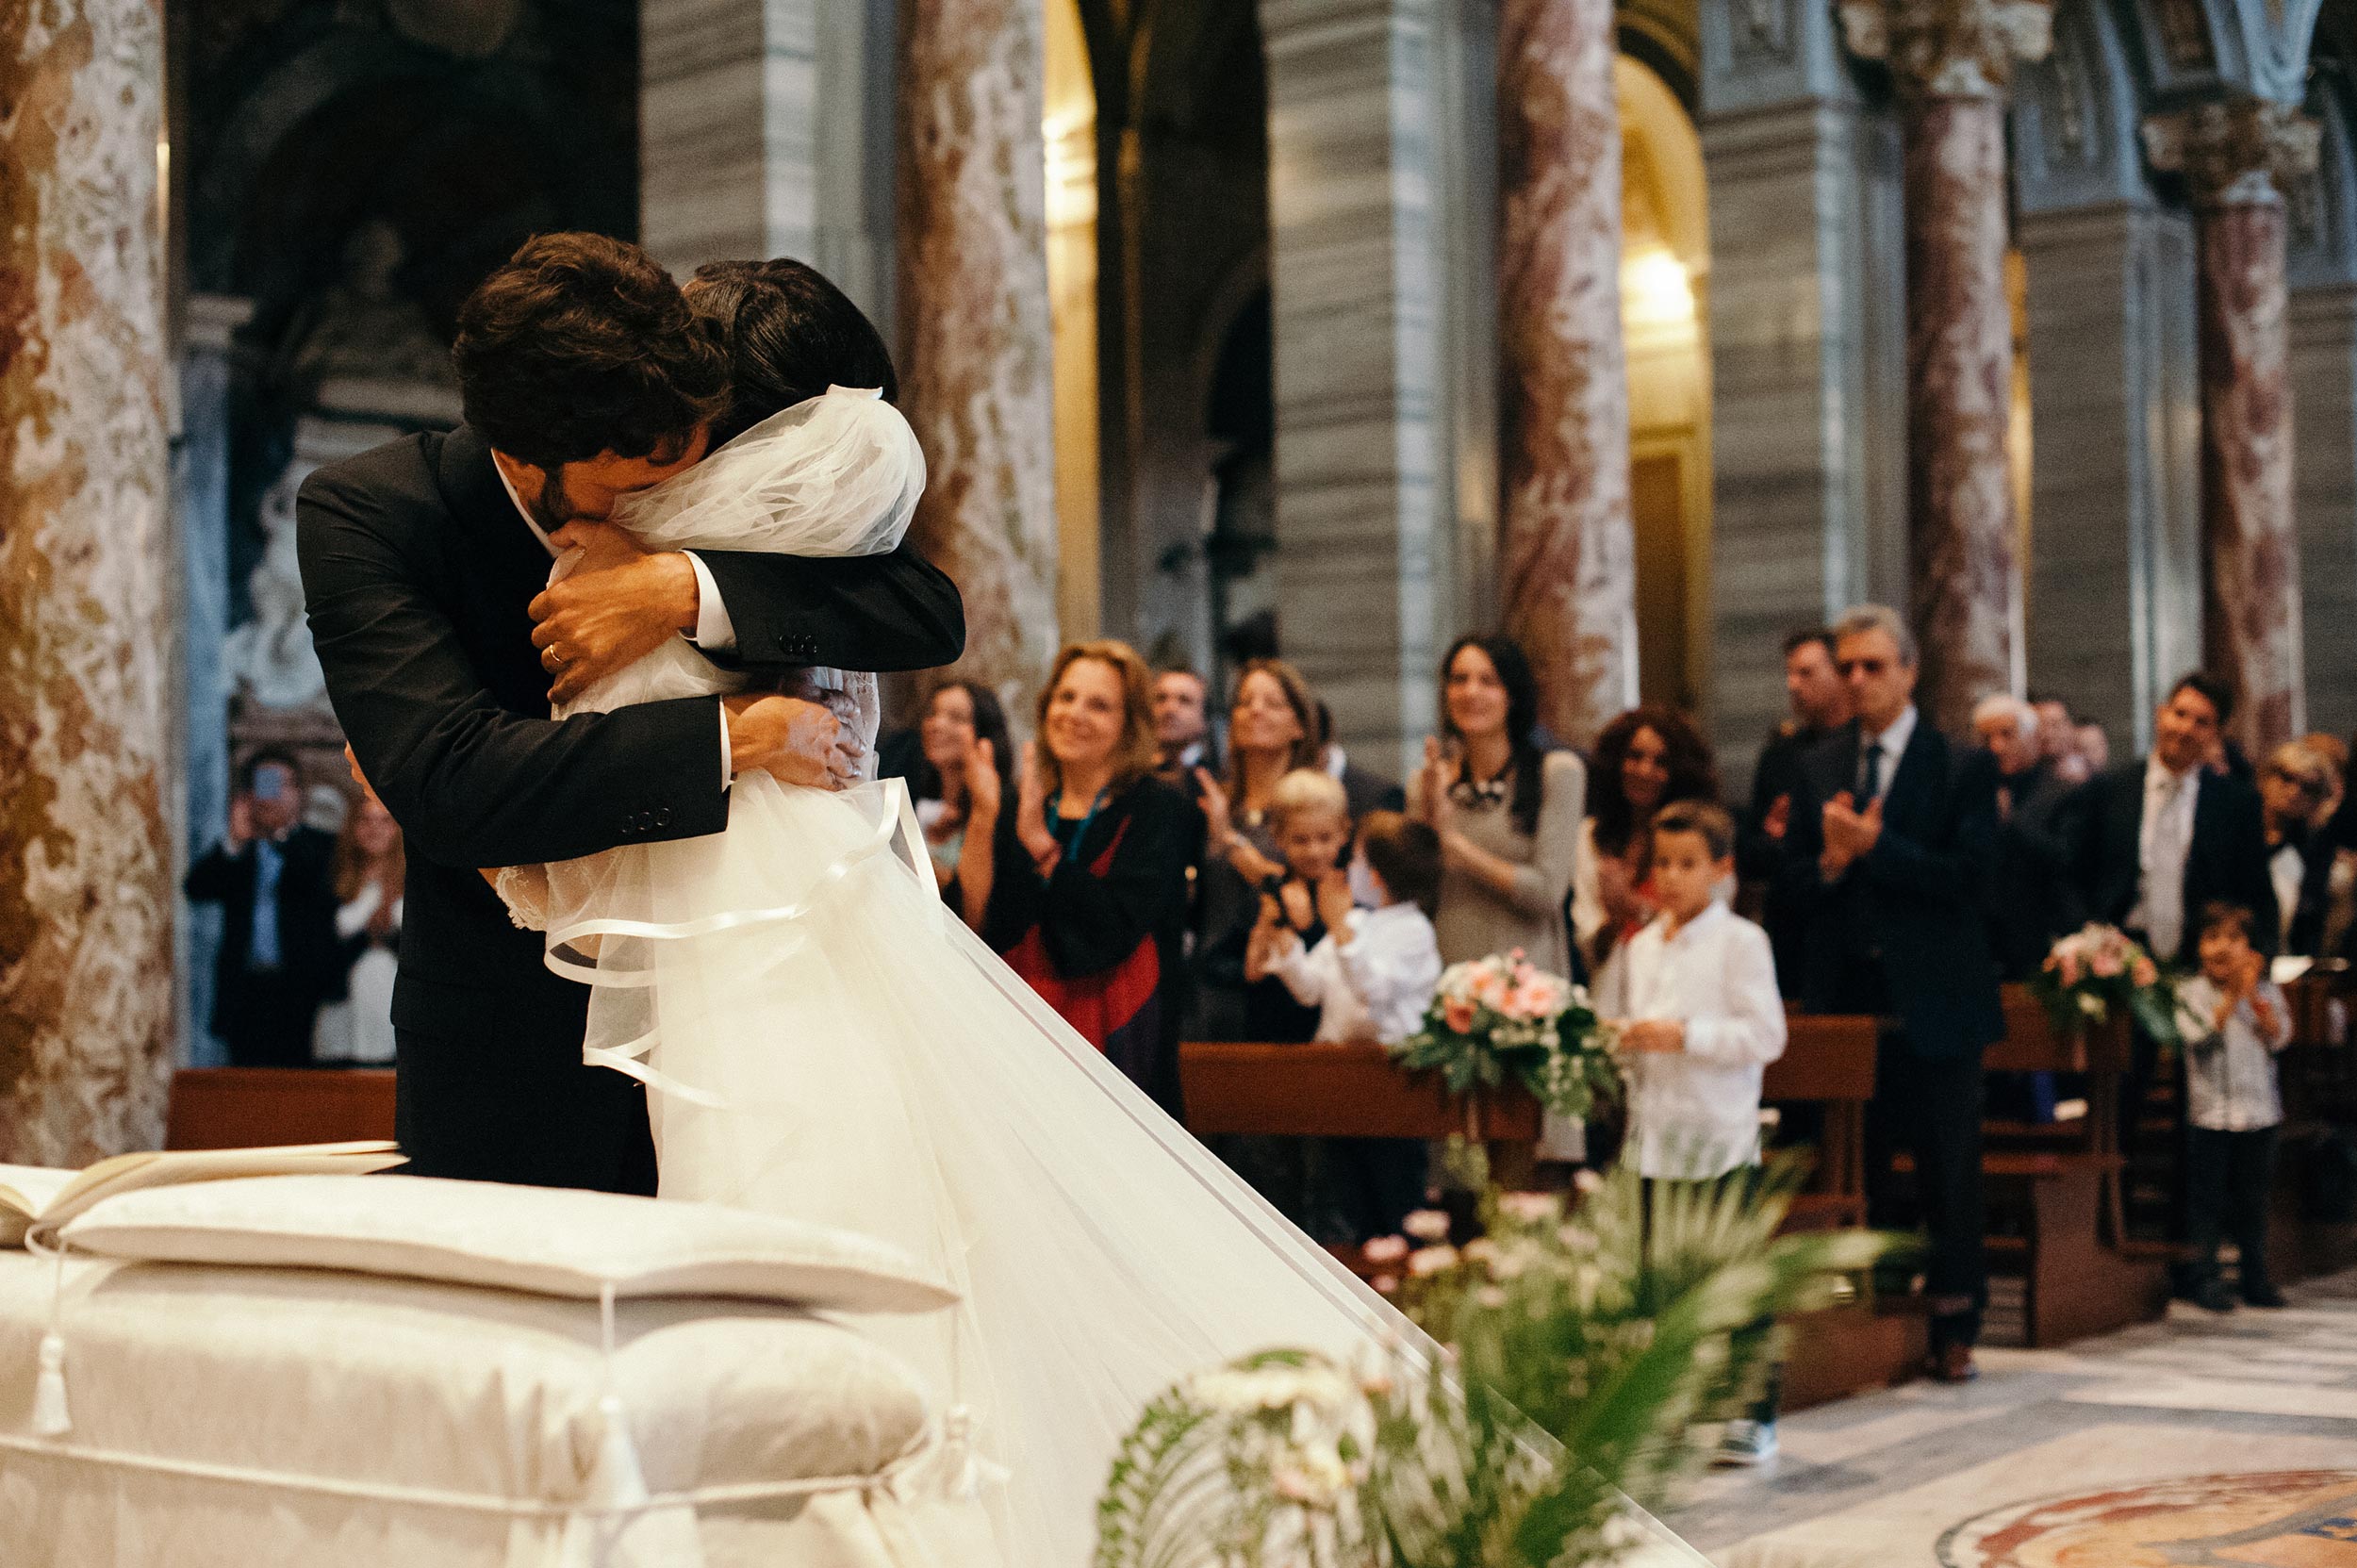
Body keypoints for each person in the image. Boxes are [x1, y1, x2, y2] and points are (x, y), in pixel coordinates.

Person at [470, 284, 1560, 1565]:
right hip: (785, 923)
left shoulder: (676, 550)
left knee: (801, 1239)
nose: (662, 445)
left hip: (767, 939)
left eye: (690, 417)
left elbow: (912, 616)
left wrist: (667, 612)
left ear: (741, 433)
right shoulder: (712, 545)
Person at [298, 236, 967, 1194]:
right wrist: (735, 736)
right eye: (634, 484)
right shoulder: (372, 514)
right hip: (512, 1056)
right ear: (529, 460)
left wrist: (682, 587)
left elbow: (921, 606)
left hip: (757, 1024)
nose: (673, 494)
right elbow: (453, 781)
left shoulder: (659, 429)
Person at [1777, 603, 2003, 1383]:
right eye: (1849, 666)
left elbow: (1974, 880)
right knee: (1860, 1163)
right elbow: (1791, 885)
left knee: (1948, 1167)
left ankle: (1956, 1322)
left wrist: (1883, 848)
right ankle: (1869, 1314)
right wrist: (1835, 864)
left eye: (1875, 665)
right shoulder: (1818, 766)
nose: (1860, 679)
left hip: (1936, 998)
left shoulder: (1961, 765)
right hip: (1850, 998)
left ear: (1909, 671)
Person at [1595, 801, 1788, 1463]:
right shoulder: (1642, 945)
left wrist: (1687, 1036)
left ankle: (1752, 1413)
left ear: (1720, 869)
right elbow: (1632, 1026)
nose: (1672, 878)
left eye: (1688, 864)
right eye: (1663, 864)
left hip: (1719, 1134)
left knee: (1734, 1278)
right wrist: (1624, 1042)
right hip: (1654, 1136)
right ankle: (1662, 1409)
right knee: (1652, 1283)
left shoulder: (1741, 942)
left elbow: (1766, 1034)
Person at [957, 641, 1196, 1113]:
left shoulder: (1162, 810)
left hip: (1122, 1054)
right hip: (1023, 1050)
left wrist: (1042, 848)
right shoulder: (1023, 803)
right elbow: (978, 924)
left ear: (1128, 726)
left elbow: (1114, 927)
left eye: (1099, 704)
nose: (1075, 714)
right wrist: (985, 815)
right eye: (1066, 697)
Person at [1258, 810, 1444, 1242]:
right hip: (1337, 1078)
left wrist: (1340, 929)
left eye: (1357, 861)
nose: (1347, 870)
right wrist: (1285, 945)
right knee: (1343, 1205)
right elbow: (1311, 990)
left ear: (1377, 876)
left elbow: (1373, 989)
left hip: (1390, 1082)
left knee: (1392, 1204)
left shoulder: (1414, 930)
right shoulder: (1359, 924)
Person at [2070, 673, 2277, 970]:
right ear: (2160, 714)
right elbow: (2075, 872)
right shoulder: (2111, 790)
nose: (2185, 729)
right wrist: (2087, 937)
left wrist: (2259, 956)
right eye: (2179, 714)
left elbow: (2255, 888)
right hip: (2120, 960)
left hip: (2200, 962)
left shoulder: (2235, 803)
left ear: (2216, 734)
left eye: (2201, 722)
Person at [1409, 635, 1586, 980]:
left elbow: (1548, 893)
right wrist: (1428, 820)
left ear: (1513, 695)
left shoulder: (1557, 772)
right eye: (1459, 680)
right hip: (1450, 974)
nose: (1471, 692)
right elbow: (1417, 898)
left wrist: (1455, 845)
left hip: (1527, 982)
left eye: (1488, 681)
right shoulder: (1427, 782)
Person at [1191, 658, 1327, 1036]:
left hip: (1283, 988)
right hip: (1211, 987)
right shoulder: (1215, 801)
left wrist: (1230, 845)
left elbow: (1317, 894)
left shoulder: (1313, 805)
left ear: (1299, 725)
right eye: (1245, 701)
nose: (1255, 710)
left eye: (1272, 703)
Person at [183, 750, 344, 1066]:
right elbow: (196, 888)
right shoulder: (240, 851)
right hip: (246, 991)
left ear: (299, 793)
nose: (272, 795)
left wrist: (281, 834)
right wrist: (235, 842)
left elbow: (315, 883)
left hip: (301, 990)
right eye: (264, 785)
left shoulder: (322, 845)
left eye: (281, 785)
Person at [2172, 901, 2293, 1312]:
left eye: (2234, 938)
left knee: (2253, 1199)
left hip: (2259, 1112)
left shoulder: (2267, 991)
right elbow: (2198, 1037)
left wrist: (2253, 997)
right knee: (2206, 1202)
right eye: (2212, 938)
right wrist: (2229, 1000)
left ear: (2249, 948)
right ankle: (2205, 1279)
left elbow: (2279, 1038)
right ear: (2199, 947)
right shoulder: (2189, 992)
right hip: (2211, 1114)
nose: (2222, 948)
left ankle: (2255, 1277)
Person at [1574, 704, 1720, 974]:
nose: (1644, 771)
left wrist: (1633, 906)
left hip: (1681, 988)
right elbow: (1589, 950)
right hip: (1610, 995)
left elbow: (1708, 934)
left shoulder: (1703, 837)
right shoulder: (1590, 836)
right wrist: (1614, 922)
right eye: (1634, 756)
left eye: (1661, 762)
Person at [1743, 629, 1852, 984]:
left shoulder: (1861, 751)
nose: (1792, 684)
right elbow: (1748, 850)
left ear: (1839, 673)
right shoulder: (1780, 756)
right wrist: (1777, 839)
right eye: (1789, 673)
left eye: (1805, 673)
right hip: (1791, 927)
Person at [1974, 694, 2082, 982]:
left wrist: (2011, 822)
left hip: (2039, 936)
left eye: (2007, 735)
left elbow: (2067, 857)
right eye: (1987, 739)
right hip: (1983, 939)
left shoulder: (2060, 791)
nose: (1996, 747)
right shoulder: (1972, 791)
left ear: (2032, 736)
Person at [312, 793, 404, 1065]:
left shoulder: (414, 886)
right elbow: (318, 946)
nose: (374, 829)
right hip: (342, 1005)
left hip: (393, 1007)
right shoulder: (332, 882)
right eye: (365, 820)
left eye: (384, 821)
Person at [909, 679, 1014, 888]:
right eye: (933, 714)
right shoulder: (914, 793)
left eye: (956, 718)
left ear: (984, 733)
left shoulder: (1003, 810)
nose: (937, 725)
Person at [2259, 740, 2335, 956]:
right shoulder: (2235, 833)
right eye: (2287, 777)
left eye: (2308, 788)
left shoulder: (2314, 852)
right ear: (2266, 777)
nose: (2294, 792)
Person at [1151, 666, 1219, 782]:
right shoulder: (1128, 775)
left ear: (1205, 720)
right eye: (1161, 698)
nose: (1169, 709)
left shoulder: (1217, 780)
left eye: (1184, 700)